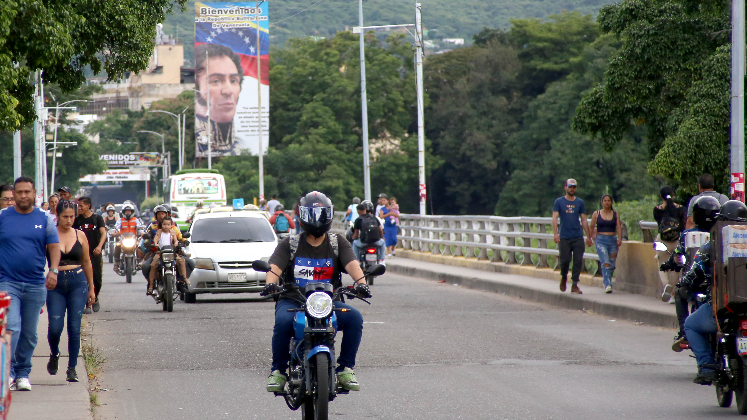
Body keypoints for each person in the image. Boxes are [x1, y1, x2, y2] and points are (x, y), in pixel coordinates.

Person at [261, 191, 371, 393]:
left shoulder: (338, 243)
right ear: (302, 216)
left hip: (328, 302)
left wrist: (361, 284)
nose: (317, 219)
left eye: (321, 214)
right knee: (283, 323)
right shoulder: (290, 244)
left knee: (354, 318)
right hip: (294, 301)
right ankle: (278, 371)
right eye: (312, 214)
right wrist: (271, 283)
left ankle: (346, 368)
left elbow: (353, 265)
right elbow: (274, 268)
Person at [0, 176, 59, 391]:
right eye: (19, 192)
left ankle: (23, 372)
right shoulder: (2, 217)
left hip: (35, 283)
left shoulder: (44, 218)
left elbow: (54, 246)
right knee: (12, 327)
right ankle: (8, 373)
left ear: (34, 193)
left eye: (27, 192)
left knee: (30, 333)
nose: (23, 195)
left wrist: (53, 270)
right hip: (7, 283)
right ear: (13, 195)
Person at [684, 200, 747, 384]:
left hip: (723, 309)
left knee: (690, 325)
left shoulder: (711, 244)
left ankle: (706, 366)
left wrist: (685, 283)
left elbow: (695, 271)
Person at [661, 195, 720, 352]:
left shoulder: (687, 235)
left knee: (679, 294)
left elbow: (678, 256)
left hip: (695, 283)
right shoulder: (721, 233)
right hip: (718, 284)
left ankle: (683, 332)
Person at [46, 200, 95, 383]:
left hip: (77, 282)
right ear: (57, 216)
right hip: (55, 283)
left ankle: (72, 367)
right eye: (65, 217)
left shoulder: (80, 235)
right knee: (55, 327)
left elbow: (87, 261)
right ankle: (54, 352)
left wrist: (91, 288)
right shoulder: (50, 234)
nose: (69, 220)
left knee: (74, 327)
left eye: (72, 217)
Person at [194, 43, 245, 155]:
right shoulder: (190, 142)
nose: (228, 91)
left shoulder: (243, 148)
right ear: (196, 87)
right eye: (216, 81)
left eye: (234, 80)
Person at [552, 179, 592, 295]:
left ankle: (575, 284)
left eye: (574, 187)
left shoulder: (580, 202)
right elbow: (554, 217)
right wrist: (555, 233)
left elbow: (583, 219)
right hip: (564, 236)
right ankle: (564, 276)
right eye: (570, 187)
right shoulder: (559, 202)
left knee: (578, 261)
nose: (572, 189)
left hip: (577, 236)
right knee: (565, 260)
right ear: (565, 188)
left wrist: (588, 236)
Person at [73, 197, 106, 313]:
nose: (79, 208)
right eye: (78, 205)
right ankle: (87, 304)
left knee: (96, 278)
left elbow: (103, 234)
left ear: (88, 206)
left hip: (94, 253)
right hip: (82, 255)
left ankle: (95, 297)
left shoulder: (97, 218)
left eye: (81, 205)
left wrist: (99, 247)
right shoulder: (77, 221)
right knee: (84, 278)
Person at [653, 186, 686, 303]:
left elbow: (659, 223)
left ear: (661, 196)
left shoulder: (657, 209)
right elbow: (683, 224)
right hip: (677, 239)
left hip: (662, 240)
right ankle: (674, 294)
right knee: (677, 268)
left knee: (662, 265)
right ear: (672, 195)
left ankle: (667, 285)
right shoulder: (681, 209)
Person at [589, 194, 622, 293]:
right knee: (605, 262)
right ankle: (607, 284)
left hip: (612, 240)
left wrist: (619, 238)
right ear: (601, 202)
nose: (607, 202)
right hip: (601, 240)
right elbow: (591, 226)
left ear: (611, 202)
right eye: (605, 200)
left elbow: (618, 227)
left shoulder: (615, 214)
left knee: (612, 264)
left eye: (609, 200)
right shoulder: (597, 214)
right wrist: (590, 237)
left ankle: (608, 279)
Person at [147, 217, 189, 295]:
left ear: (171, 225)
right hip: (160, 252)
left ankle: (185, 279)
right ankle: (151, 285)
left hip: (171, 252)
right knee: (153, 265)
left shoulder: (173, 232)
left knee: (182, 261)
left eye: (168, 224)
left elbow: (176, 240)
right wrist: (155, 243)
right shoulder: (159, 232)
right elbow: (156, 239)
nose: (166, 226)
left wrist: (176, 244)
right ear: (161, 225)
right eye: (164, 224)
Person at [113, 203, 143, 274]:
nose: (128, 213)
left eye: (129, 211)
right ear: (123, 212)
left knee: (139, 247)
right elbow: (116, 227)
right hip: (122, 239)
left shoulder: (136, 220)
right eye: (126, 211)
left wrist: (142, 233)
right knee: (117, 246)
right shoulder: (120, 220)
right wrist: (114, 232)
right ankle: (116, 264)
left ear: (132, 212)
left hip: (133, 239)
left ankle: (139, 262)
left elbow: (140, 227)